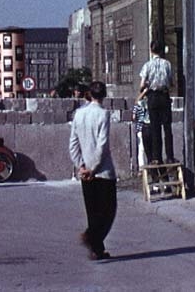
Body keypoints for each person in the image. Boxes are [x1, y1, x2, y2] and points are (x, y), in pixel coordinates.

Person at [69, 81, 117, 260]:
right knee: (108, 210)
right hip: (102, 171)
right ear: (104, 95)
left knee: (92, 211)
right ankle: (92, 237)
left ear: (89, 93)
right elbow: (102, 144)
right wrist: (93, 168)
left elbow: (73, 143)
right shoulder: (103, 114)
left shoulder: (79, 114)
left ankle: (97, 250)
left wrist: (81, 165)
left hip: (84, 172)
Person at [139, 40, 177, 165]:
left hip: (153, 97)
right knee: (167, 127)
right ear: (161, 50)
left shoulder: (147, 65)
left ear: (151, 50)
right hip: (164, 96)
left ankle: (157, 157)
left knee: (155, 128)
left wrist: (146, 87)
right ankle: (170, 156)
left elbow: (142, 85)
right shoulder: (167, 64)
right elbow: (171, 82)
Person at [132, 87, 152, 169]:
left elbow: (133, 117)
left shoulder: (139, 105)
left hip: (140, 128)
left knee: (141, 149)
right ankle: (150, 166)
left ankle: (142, 167)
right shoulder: (150, 103)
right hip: (151, 128)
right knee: (150, 148)